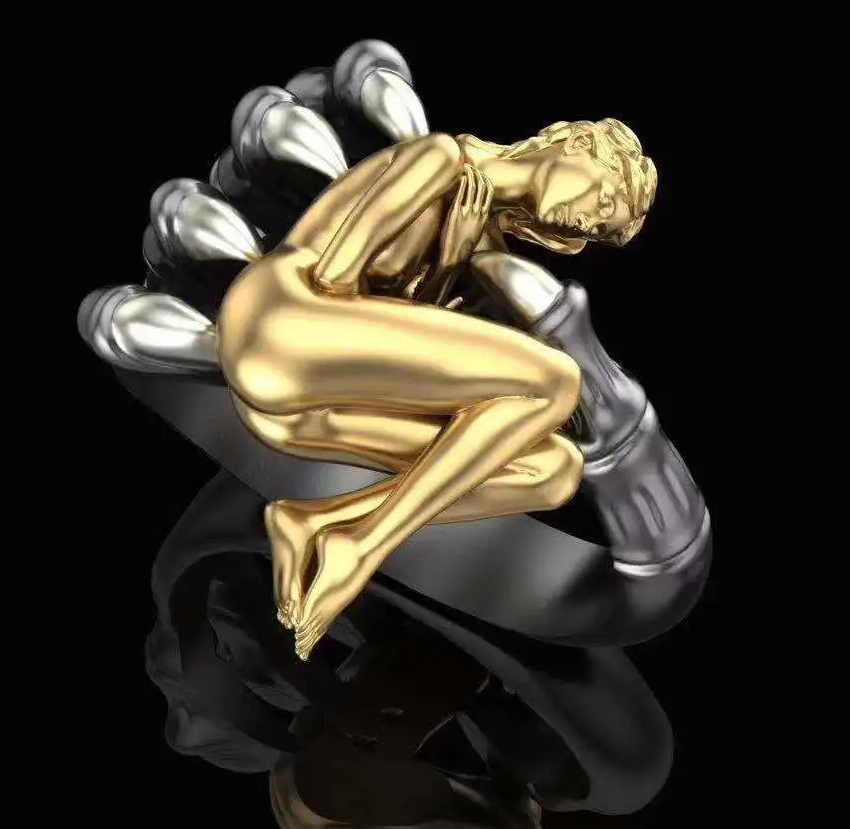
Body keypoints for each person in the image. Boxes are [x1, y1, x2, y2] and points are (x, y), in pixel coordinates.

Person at [216, 119, 657, 659]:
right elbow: (335, 281)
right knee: (556, 380)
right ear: (578, 147)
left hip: (300, 411)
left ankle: (313, 520)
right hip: (274, 326)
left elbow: (396, 347)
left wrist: (451, 260)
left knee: (553, 470)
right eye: (603, 201)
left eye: (600, 230)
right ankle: (361, 545)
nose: (589, 223)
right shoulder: (442, 159)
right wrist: (450, 261)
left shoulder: (484, 240)